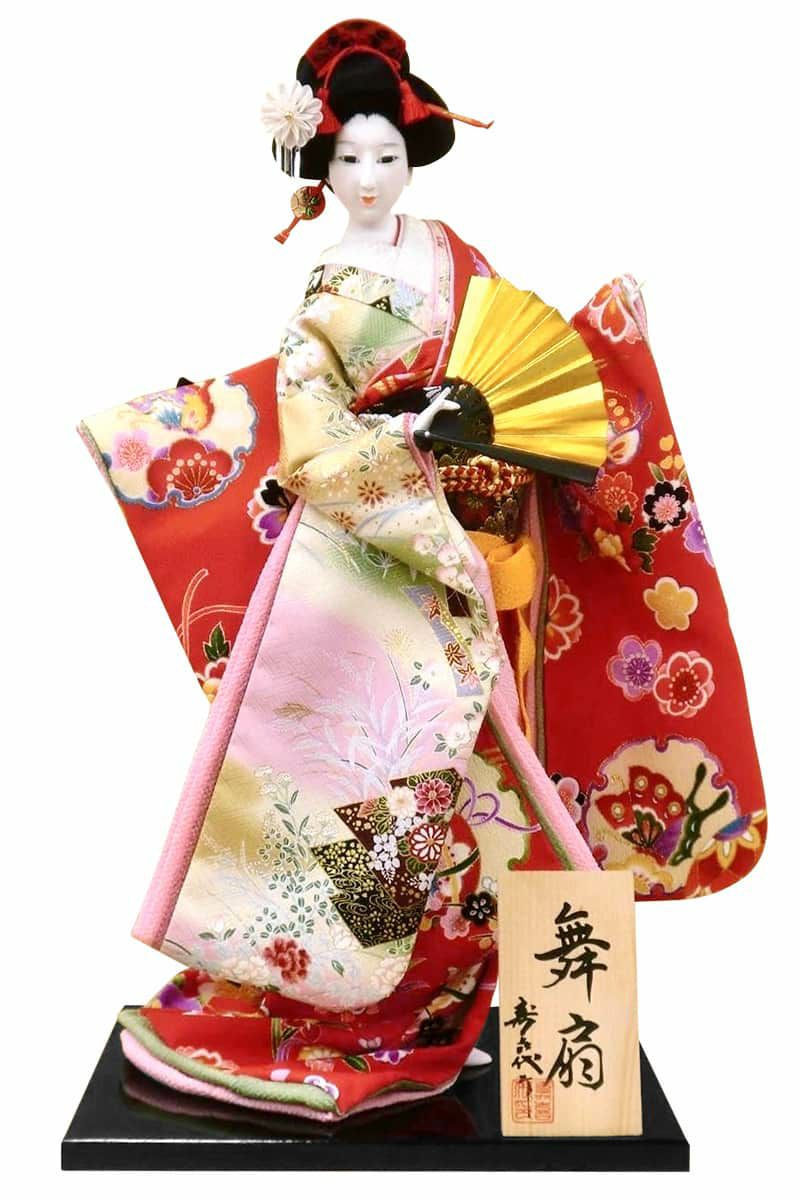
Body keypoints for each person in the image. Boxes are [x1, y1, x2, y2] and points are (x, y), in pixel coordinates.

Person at [78, 18, 765, 1122]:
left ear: (414, 156)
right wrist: (409, 448)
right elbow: (310, 439)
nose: (369, 178)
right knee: (389, 798)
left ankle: (461, 1004)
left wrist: (573, 375)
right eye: (348, 158)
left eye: (386, 156)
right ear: (320, 167)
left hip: (493, 565)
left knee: (492, 796)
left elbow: (530, 374)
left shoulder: (456, 257)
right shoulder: (325, 292)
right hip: (383, 573)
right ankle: (364, 1008)